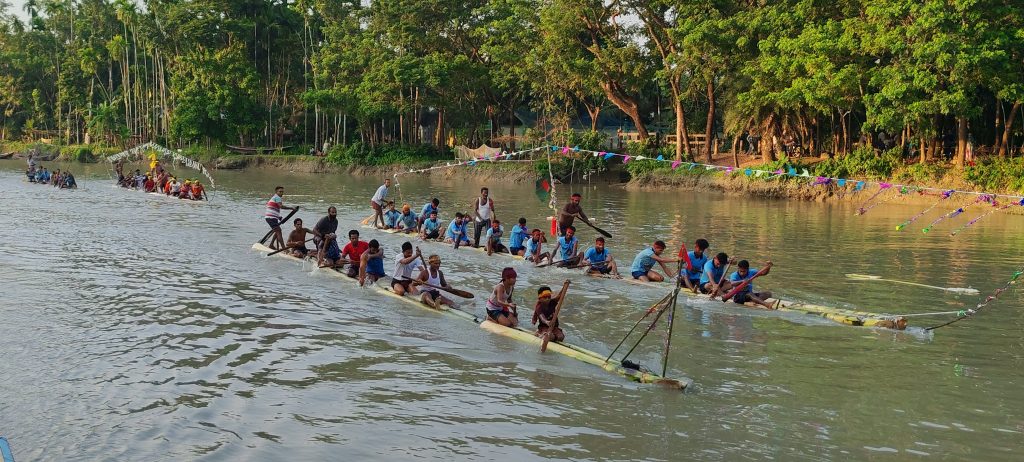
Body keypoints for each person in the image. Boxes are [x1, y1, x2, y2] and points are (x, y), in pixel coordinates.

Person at [264, 186, 294, 250]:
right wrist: (291, 208)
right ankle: (284, 249)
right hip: (271, 218)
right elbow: (281, 206)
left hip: (273, 217)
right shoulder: (277, 197)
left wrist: (279, 217)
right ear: (276, 192)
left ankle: (271, 245)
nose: (281, 193)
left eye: (282, 192)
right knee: (279, 231)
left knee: (277, 231)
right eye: (280, 191)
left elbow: (273, 209)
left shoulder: (274, 197)